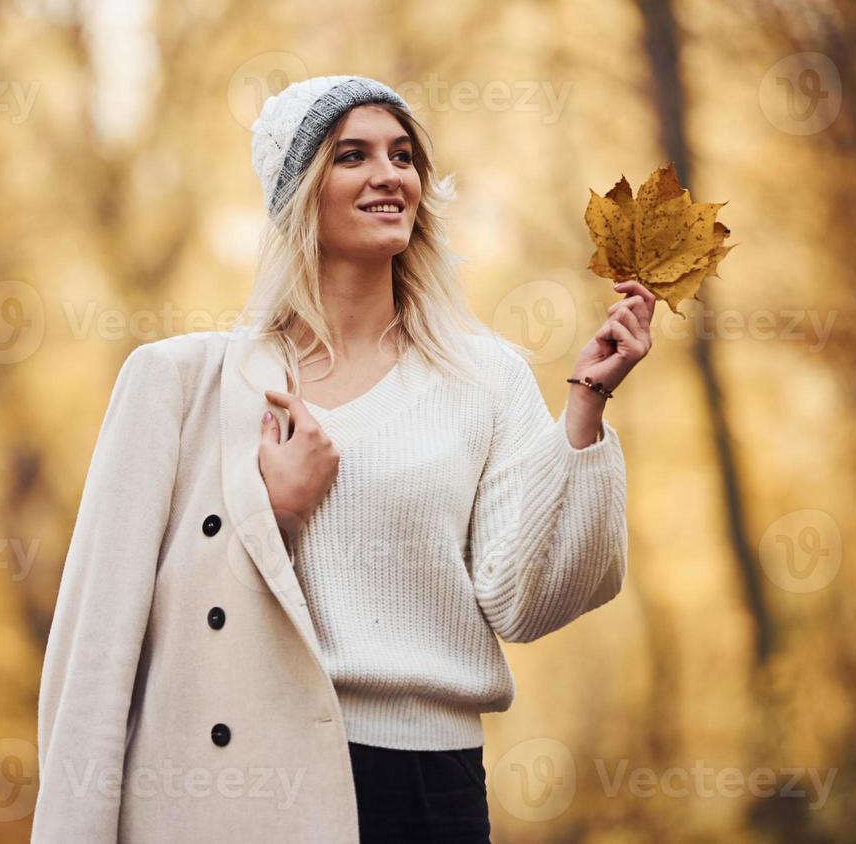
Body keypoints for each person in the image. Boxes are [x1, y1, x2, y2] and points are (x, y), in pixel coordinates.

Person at [32, 75, 651, 844]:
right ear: (297, 194)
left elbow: (523, 602)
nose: (389, 175)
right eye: (351, 155)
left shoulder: (485, 377)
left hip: (437, 789)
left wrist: (588, 402)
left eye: (403, 155)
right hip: (256, 774)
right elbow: (104, 644)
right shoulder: (189, 386)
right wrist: (276, 514)